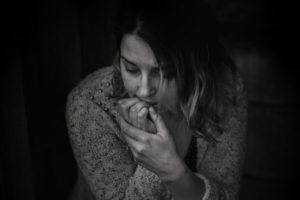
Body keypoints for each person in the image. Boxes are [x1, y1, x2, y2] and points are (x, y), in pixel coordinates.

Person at [65, 0, 247, 199]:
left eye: (165, 73)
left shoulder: (224, 89)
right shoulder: (90, 103)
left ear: (197, 68)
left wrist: (172, 172)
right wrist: (153, 166)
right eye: (131, 69)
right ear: (119, 58)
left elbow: (228, 195)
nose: (144, 90)